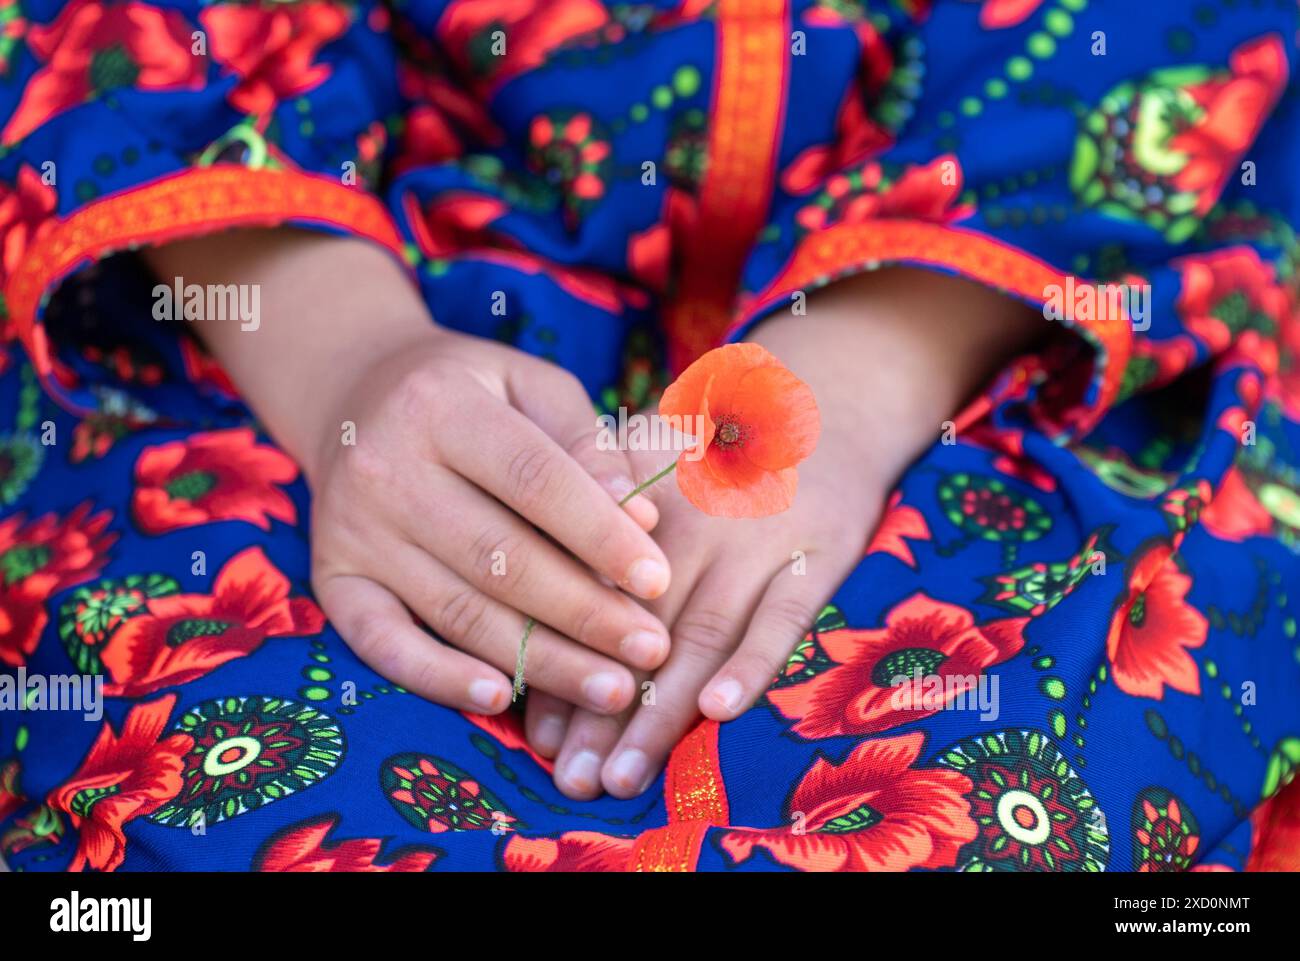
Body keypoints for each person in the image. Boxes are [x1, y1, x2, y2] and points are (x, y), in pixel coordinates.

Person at [0, 0, 1298, 872]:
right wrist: (347, 362)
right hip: (311, 295)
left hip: (1028, 304)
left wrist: (875, 358)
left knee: (1086, 735)